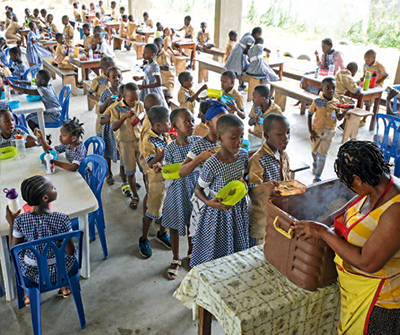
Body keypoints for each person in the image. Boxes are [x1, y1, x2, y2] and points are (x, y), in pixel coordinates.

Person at [293, 140, 400, 334]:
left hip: (382, 303)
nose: (349, 188)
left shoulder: (395, 210)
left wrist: (324, 233)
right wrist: (323, 222)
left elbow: (368, 263)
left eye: (347, 182)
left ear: (357, 179)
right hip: (358, 290)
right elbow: (343, 213)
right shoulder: (374, 186)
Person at [7, 175, 77, 304]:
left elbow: (13, 250)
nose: (55, 188)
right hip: (63, 270)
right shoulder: (62, 219)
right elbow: (70, 251)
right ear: (45, 198)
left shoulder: (20, 220)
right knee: (63, 256)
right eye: (53, 187)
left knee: (23, 257)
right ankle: (65, 287)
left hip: (33, 275)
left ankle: (29, 295)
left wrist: (12, 223)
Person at [190, 114, 249, 267]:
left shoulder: (242, 156)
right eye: (234, 137)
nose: (239, 141)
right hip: (218, 213)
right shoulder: (211, 164)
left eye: (241, 136)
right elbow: (198, 190)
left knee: (236, 245)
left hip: (238, 208)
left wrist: (245, 185)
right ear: (220, 138)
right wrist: (209, 203)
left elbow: (244, 178)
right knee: (215, 249)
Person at [161, 108, 202, 279]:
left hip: (195, 189)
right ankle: (176, 257)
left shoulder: (199, 143)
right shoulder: (170, 149)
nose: (191, 124)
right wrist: (161, 169)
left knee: (193, 224)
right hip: (176, 191)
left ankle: (192, 253)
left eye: (192, 120)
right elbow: (167, 170)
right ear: (175, 126)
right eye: (186, 121)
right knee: (175, 225)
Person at [180, 101, 227, 237]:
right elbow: (182, 171)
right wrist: (200, 158)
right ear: (208, 123)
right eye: (220, 121)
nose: (225, 125)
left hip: (222, 198)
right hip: (204, 196)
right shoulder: (200, 145)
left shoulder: (227, 141)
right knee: (198, 235)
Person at [248, 113, 290, 245]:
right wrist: (265, 188)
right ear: (266, 135)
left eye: (288, 133)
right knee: (262, 251)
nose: (286, 138)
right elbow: (252, 193)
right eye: (280, 134)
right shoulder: (258, 160)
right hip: (263, 220)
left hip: (279, 213)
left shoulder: (283, 155)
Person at [139, 106, 172, 258]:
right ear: (157, 125)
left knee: (167, 209)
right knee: (152, 211)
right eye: (168, 121)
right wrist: (165, 151)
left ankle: (162, 233)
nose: (170, 123)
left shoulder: (164, 134)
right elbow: (151, 163)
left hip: (168, 178)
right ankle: (144, 238)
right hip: (156, 181)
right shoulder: (148, 140)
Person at [109, 83, 142, 210]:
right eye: (131, 100)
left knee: (145, 169)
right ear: (123, 96)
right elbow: (114, 127)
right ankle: (134, 196)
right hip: (125, 143)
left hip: (139, 141)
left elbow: (143, 117)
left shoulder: (140, 105)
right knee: (130, 171)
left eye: (136, 99)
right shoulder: (115, 108)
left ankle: (148, 193)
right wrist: (125, 117)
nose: (134, 102)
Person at [308, 77, 345, 183]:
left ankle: (317, 177)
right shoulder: (317, 101)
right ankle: (315, 163)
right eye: (328, 88)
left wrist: (346, 111)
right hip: (317, 131)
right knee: (314, 151)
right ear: (322, 88)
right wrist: (311, 130)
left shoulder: (336, 103)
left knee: (323, 154)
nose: (331, 91)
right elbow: (310, 114)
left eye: (333, 88)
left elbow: (339, 118)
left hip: (329, 132)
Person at [98, 66, 122, 185]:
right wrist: (107, 101)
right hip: (108, 127)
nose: (116, 79)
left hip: (121, 126)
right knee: (107, 149)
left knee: (122, 150)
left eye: (119, 76)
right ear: (108, 79)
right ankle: (108, 173)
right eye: (113, 77)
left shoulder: (124, 91)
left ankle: (124, 173)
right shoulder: (105, 93)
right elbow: (101, 110)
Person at [359, 49, 389, 124]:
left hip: (375, 88)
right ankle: (359, 116)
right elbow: (364, 74)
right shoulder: (365, 65)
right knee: (361, 99)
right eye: (365, 60)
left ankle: (364, 119)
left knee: (369, 103)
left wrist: (379, 82)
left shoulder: (379, 66)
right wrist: (362, 79)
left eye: (368, 60)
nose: (366, 62)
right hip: (367, 85)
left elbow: (386, 74)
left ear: (374, 58)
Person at [88, 56, 115, 136]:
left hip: (111, 104)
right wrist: (99, 99)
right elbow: (89, 93)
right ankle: (99, 136)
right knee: (101, 121)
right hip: (101, 106)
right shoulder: (98, 80)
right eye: (109, 68)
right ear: (102, 69)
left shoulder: (113, 78)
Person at [138, 43, 167, 108]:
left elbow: (159, 83)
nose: (143, 54)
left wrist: (144, 86)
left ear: (152, 55)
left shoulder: (154, 66)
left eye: (145, 53)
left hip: (153, 91)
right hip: (147, 89)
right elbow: (150, 76)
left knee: (154, 106)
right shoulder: (149, 63)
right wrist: (140, 78)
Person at [154, 37, 175, 103]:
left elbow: (166, 67)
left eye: (157, 45)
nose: (156, 47)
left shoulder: (165, 55)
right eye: (155, 46)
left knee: (166, 97)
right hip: (159, 78)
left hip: (167, 79)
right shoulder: (155, 54)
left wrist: (156, 67)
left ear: (162, 46)